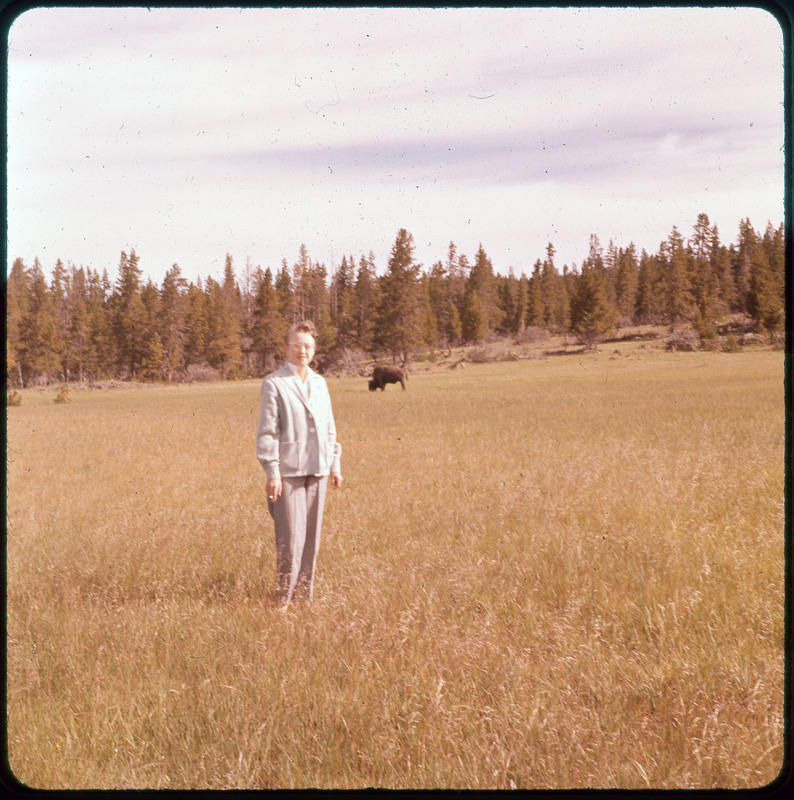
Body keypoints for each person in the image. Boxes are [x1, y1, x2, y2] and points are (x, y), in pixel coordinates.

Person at [256, 321, 342, 605]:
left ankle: (303, 600)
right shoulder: (275, 383)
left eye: (307, 346)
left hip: (317, 469)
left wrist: (334, 464)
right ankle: (282, 601)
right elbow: (268, 431)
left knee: (311, 542)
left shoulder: (320, 383)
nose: (302, 351)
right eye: (296, 345)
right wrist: (273, 472)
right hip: (288, 473)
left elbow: (329, 426)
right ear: (287, 348)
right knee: (290, 541)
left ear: (314, 349)